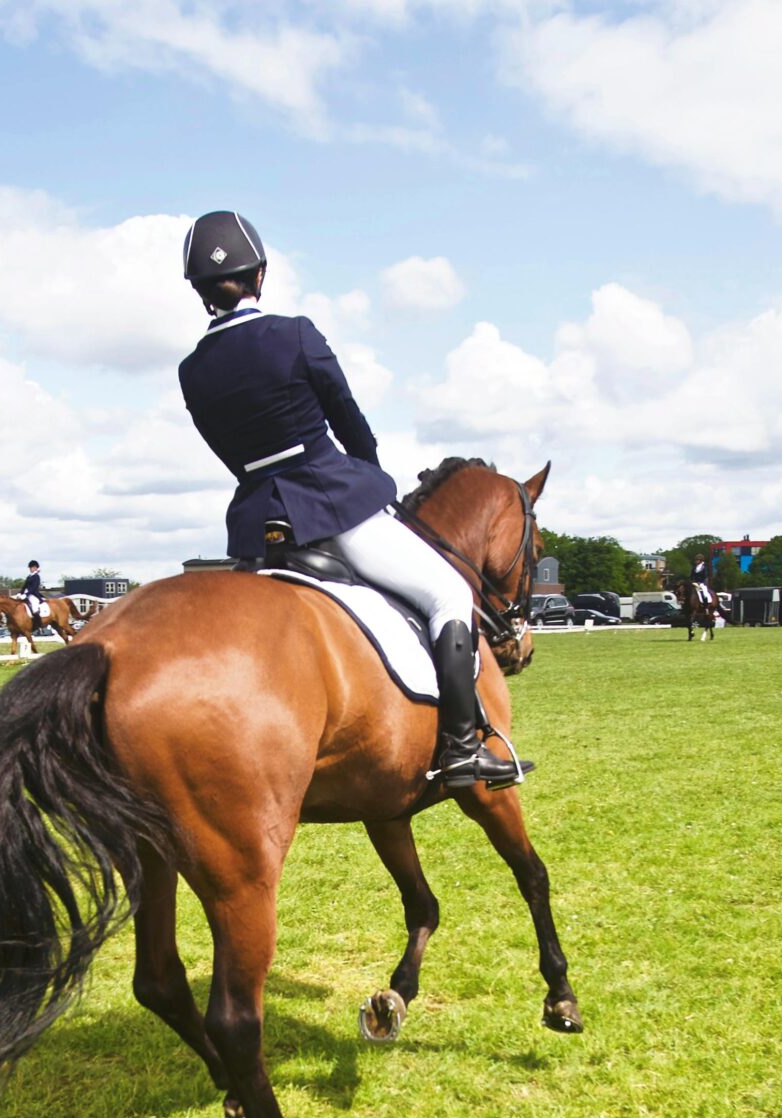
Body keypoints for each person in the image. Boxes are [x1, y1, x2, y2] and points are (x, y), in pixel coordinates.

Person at [176, 210, 524, 789]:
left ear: (200, 292)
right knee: (447, 593)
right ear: (259, 275)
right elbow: (351, 424)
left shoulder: (193, 370)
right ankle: (463, 748)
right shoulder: (295, 335)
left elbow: (229, 452)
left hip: (260, 525)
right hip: (332, 502)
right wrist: (369, 482)